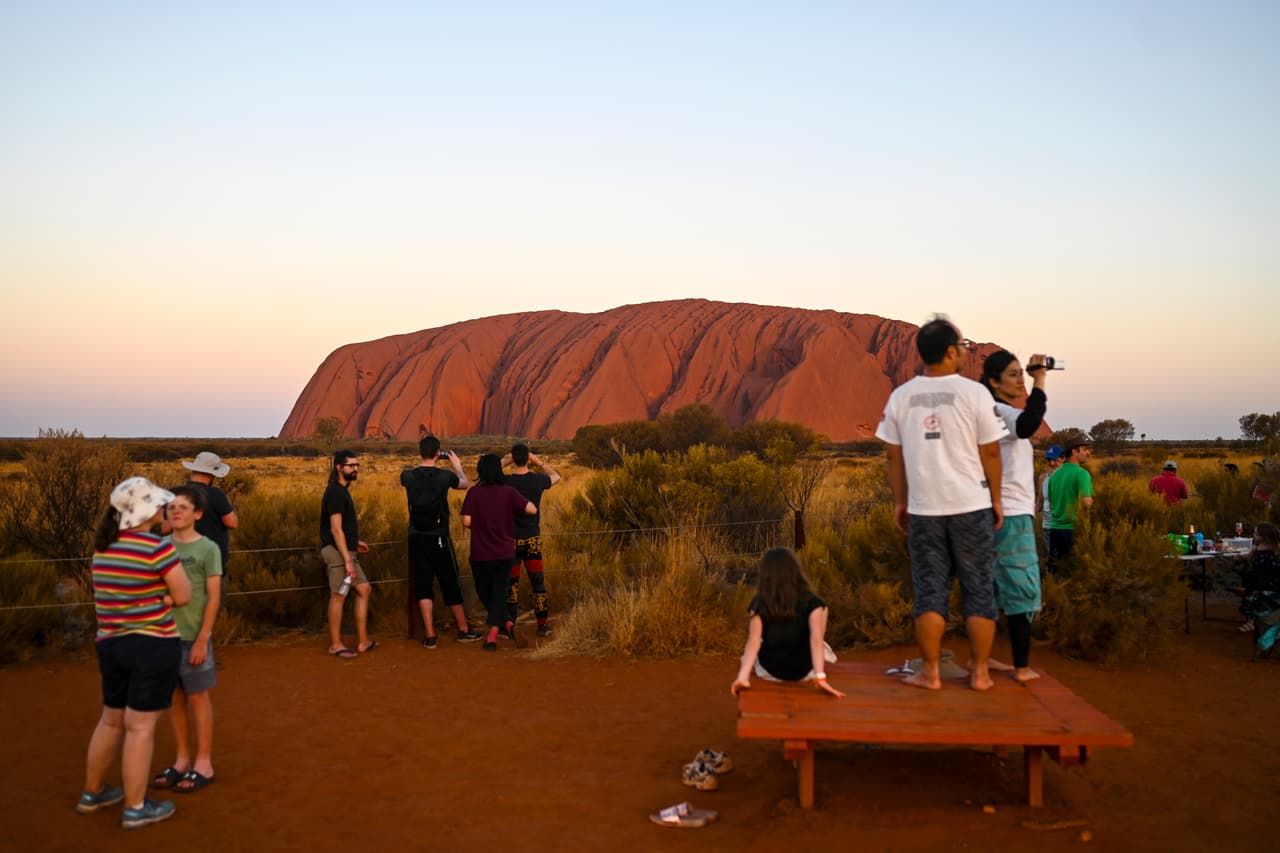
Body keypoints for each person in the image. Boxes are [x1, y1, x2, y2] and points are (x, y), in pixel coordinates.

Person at [875, 317, 1009, 691]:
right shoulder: (975, 394)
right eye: (963, 345)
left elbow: (892, 457)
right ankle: (980, 674)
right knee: (979, 588)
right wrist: (995, 499)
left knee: (930, 590)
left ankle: (930, 673)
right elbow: (992, 451)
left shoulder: (900, 397)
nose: (965, 351)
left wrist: (900, 502)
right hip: (972, 506)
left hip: (924, 509)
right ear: (950, 351)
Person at [78, 477, 191, 830]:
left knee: (111, 719)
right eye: (158, 504)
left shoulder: (103, 548)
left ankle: (92, 793)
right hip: (152, 644)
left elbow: (112, 595)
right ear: (145, 511)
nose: (163, 509)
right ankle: (135, 806)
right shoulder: (157, 548)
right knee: (140, 727)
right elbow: (184, 593)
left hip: (111, 644)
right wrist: (165, 599)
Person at [980, 349, 1050, 683]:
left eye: (1021, 373)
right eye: (1013, 374)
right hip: (1011, 513)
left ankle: (985, 659)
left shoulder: (993, 411)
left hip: (1001, 511)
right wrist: (1041, 381)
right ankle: (1021, 667)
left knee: (992, 587)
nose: (1020, 379)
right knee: (1022, 587)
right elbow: (1026, 426)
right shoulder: (999, 410)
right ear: (993, 382)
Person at [152, 486, 221, 794]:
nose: (175, 511)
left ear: (198, 514)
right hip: (164, 637)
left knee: (197, 698)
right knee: (174, 698)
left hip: (194, 636)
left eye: (182, 507)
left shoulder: (208, 549)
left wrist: (202, 638)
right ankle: (181, 760)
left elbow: (213, 597)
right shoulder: (160, 547)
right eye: (171, 507)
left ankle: (203, 763)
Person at [730, 548, 845, 698]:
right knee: (823, 645)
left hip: (769, 672)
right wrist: (820, 677)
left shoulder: (759, 603)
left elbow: (754, 641)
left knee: (753, 649)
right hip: (805, 673)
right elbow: (816, 640)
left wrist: (742, 677)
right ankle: (817, 671)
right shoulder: (815, 603)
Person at [400, 436, 482, 646]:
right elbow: (464, 485)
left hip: (416, 536)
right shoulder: (444, 476)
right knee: (449, 581)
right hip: (439, 537)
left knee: (423, 583)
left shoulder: (407, 476)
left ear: (419, 452)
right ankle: (463, 630)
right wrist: (457, 466)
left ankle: (430, 635)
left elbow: (411, 477)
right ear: (438, 453)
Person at [460, 454, 536, 651]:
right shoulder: (509, 492)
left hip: (480, 553)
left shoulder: (474, 493)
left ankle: (492, 637)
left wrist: (483, 525)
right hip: (504, 553)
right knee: (499, 594)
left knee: (485, 594)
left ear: (480, 471)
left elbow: (467, 522)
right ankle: (508, 624)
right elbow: (532, 509)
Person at [502, 443, 562, 638]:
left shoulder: (506, 482)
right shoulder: (537, 480)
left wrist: (504, 460)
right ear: (528, 458)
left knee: (511, 585)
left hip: (511, 540)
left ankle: (510, 628)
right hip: (533, 539)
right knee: (538, 584)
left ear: (513, 459)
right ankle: (542, 626)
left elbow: (486, 476)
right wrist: (539, 462)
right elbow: (557, 477)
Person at [321, 450, 375, 658]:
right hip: (337, 554)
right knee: (339, 596)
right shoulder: (335, 492)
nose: (355, 469)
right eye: (351, 465)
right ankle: (335, 644)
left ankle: (363, 642)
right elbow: (335, 529)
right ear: (339, 468)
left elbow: (341, 527)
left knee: (364, 589)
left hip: (346, 550)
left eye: (357, 465)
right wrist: (347, 560)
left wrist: (354, 542)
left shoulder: (342, 490)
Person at [180, 451, 238, 579]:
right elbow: (232, 523)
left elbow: (166, 528)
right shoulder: (215, 494)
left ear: (193, 470)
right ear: (212, 475)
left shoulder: (179, 493)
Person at [1046, 435, 1094, 575]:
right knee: (1075, 574)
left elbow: (1051, 502)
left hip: (1054, 529)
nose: (1088, 453)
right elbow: (1087, 503)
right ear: (1074, 452)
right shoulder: (1081, 474)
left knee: (1055, 573)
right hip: (1073, 530)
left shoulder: (1053, 475)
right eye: (1085, 449)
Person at [1234, 522, 1280, 643]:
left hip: (1270, 586)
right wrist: (1242, 556)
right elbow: (1251, 554)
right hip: (1263, 581)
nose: (1253, 535)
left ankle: (1252, 621)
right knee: (1250, 587)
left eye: (1255, 533)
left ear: (1263, 536)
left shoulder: (1271, 549)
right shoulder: (1260, 546)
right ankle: (1251, 621)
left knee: (1251, 591)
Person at [1038, 445, 1065, 553]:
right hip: (1048, 526)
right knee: (1052, 560)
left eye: (1055, 460)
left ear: (1063, 459)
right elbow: (1039, 503)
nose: (1051, 463)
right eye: (1049, 460)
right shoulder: (1042, 478)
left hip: (1064, 526)